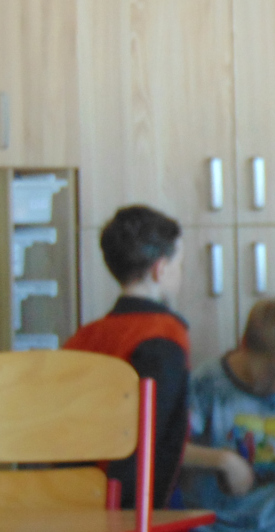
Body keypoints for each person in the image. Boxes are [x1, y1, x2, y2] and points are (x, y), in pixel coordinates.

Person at [63, 205, 188, 510]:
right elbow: (154, 439)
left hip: (77, 496)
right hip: (134, 506)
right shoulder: (166, 334)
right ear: (160, 269)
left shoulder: (83, 337)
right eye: (179, 265)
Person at [179, 297, 275, 532]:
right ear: (245, 346)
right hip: (208, 530)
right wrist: (221, 460)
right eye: (271, 372)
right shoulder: (207, 384)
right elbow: (171, 450)